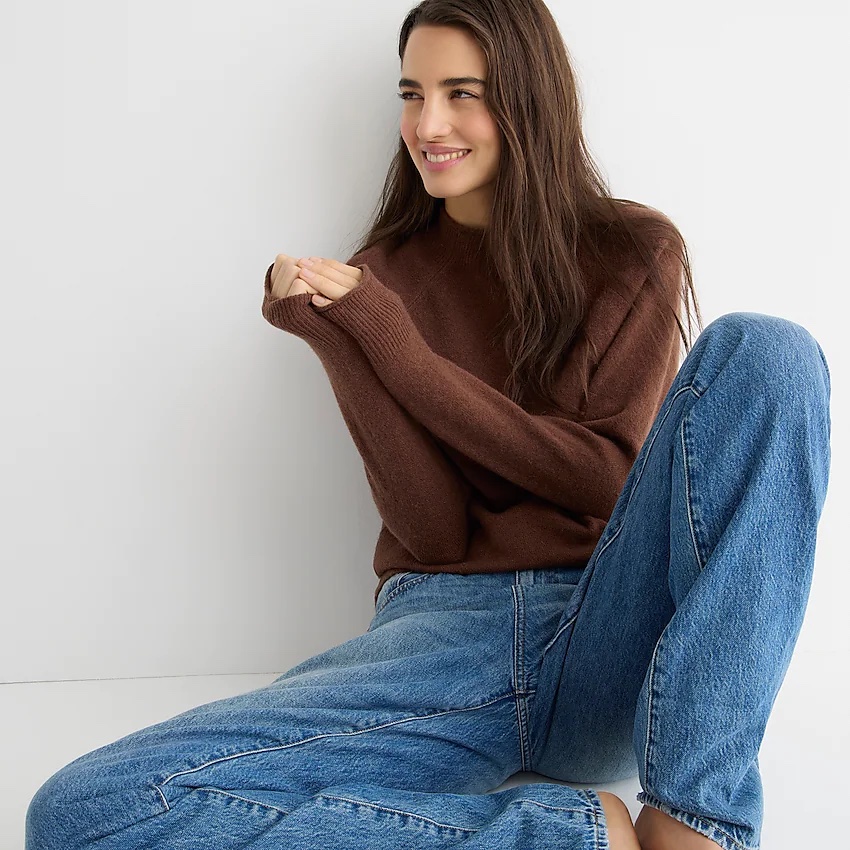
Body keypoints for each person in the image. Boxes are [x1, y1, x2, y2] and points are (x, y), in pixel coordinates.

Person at [25, 2, 831, 849]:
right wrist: (340, 340)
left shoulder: (632, 249)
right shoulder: (381, 278)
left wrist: (402, 353)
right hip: (439, 638)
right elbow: (435, 536)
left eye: (461, 93)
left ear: (527, 100)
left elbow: (605, 477)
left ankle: (697, 820)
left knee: (768, 352)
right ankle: (575, 835)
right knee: (84, 810)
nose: (428, 125)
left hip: (610, 626)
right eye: (412, 94)